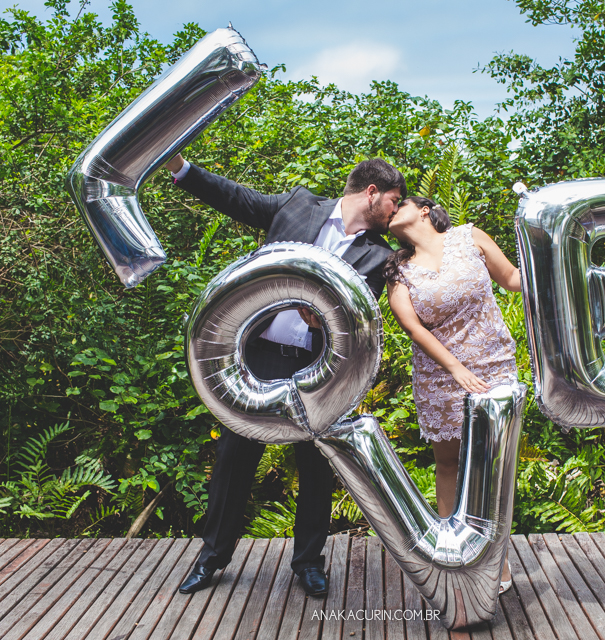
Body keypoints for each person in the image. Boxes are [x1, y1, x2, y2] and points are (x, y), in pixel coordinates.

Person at [167, 153, 406, 597]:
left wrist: (326, 322)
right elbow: (238, 199)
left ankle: (309, 563)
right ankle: (211, 558)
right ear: (371, 192)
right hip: (259, 358)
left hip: (322, 371)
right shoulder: (299, 205)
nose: (395, 210)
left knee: (317, 468)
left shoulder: (379, 256)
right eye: (393, 200)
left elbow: (364, 319)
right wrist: (183, 169)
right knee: (234, 460)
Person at [384, 196, 519, 594]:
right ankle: (455, 554)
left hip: (494, 365)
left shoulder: (469, 237)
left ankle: (496, 558)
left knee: (493, 467)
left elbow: (511, 278)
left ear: (424, 210)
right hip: (440, 378)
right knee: (450, 465)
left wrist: (550, 267)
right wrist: (456, 368)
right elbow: (414, 328)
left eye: (400, 203)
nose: (392, 210)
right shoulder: (398, 271)